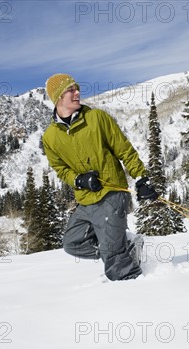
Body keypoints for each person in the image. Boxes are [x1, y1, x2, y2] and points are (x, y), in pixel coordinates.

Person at [42, 73, 158, 281]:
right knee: (72, 243)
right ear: (58, 97)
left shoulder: (97, 118)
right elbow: (60, 169)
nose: (77, 92)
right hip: (86, 199)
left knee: (113, 258)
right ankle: (125, 246)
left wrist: (140, 178)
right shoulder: (50, 136)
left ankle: (132, 285)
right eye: (71, 89)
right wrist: (78, 180)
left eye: (76, 88)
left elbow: (124, 150)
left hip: (112, 192)